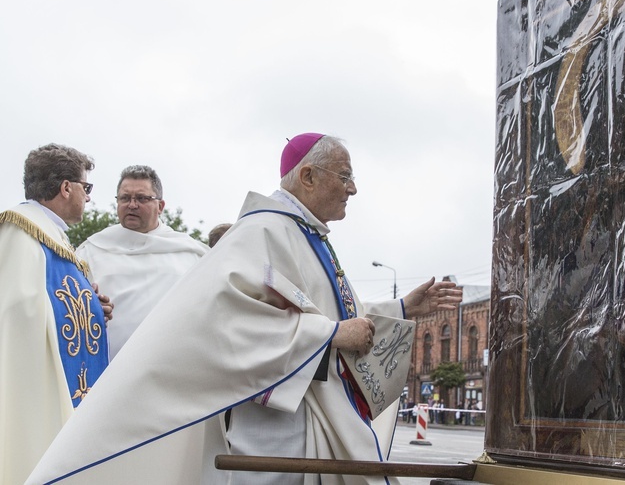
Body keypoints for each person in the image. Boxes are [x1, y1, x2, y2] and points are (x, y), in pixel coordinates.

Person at [27, 133, 462, 485]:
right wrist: (327, 336)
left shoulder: (306, 236)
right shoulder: (264, 232)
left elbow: (339, 311)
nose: (352, 188)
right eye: (344, 175)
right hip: (278, 431)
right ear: (307, 176)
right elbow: (225, 326)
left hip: (306, 421)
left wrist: (404, 306)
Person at [0, 143, 111, 485]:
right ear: (66, 188)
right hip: (38, 390)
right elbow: (18, 314)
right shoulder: (19, 232)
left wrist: (91, 309)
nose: (88, 197)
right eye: (86, 187)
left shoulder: (53, 241)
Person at [75, 165, 208, 358]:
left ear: (160, 206)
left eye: (142, 198)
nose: (132, 205)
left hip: (174, 367)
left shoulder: (192, 254)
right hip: (107, 369)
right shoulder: (90, 251)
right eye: (125, 198)